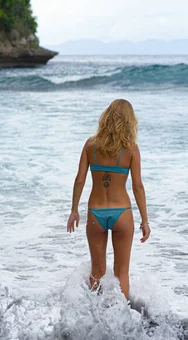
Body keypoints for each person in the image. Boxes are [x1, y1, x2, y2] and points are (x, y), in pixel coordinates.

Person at [67, 99, 151, 299]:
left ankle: (92, 315)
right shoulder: (131, 149)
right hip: (122, 213)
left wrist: (74, 210)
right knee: (122, 272)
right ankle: (125, 318)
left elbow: (79, 180)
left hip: (96, 212)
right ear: (130, 121)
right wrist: (145, 220)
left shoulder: (91, 145)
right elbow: (138, 186)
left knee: (97, 271)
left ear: (106, 117)